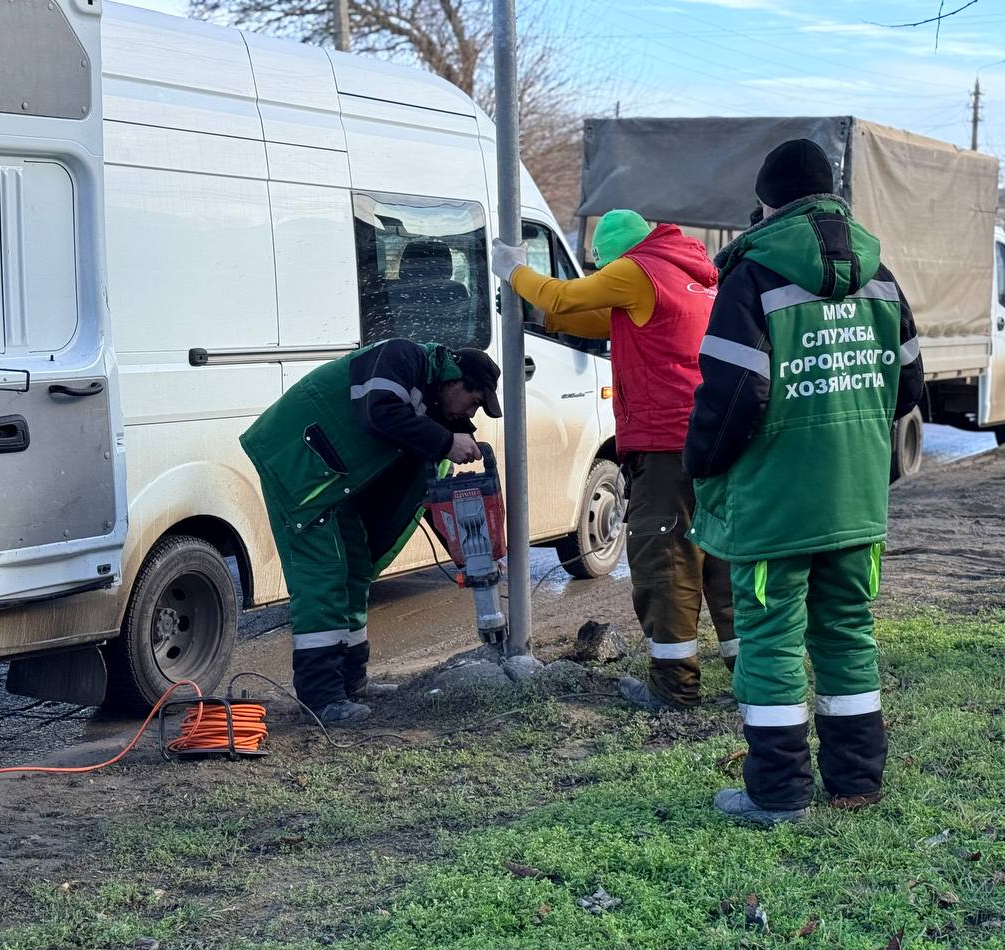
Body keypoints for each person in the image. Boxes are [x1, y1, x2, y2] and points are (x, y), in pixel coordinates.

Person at [683, 139, 924, 825]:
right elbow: (908, 389)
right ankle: (855, 782)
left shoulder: (752, 279)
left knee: (770, 641)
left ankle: (778, 794)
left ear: (767, 203)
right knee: (848, 632)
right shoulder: (884, 279)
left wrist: (699, 464)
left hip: (774, 505)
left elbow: (731, 399)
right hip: (855, 501)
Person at [490, 211, 736, 710]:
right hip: (712, 440)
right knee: (722, 564)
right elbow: (586, 317)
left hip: (666, 446)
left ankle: (674, 689)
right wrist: (540, 315)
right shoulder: (686, 274)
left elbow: (563, 296)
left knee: (665, 562)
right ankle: (754, 680)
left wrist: (514, 270)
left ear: (611, 256)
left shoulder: (635, 270)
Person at [240, 339, 502, 727]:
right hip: (297, 467)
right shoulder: (400, 357)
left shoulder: (430, 402)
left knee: (356, 568)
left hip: (334, 481)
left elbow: (418, 486)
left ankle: (351, 682)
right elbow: (377, 414)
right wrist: (446, 442)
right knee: (324, 578)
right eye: (474, 400)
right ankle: (321, 699)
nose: (472, 411)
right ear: (452, 381)